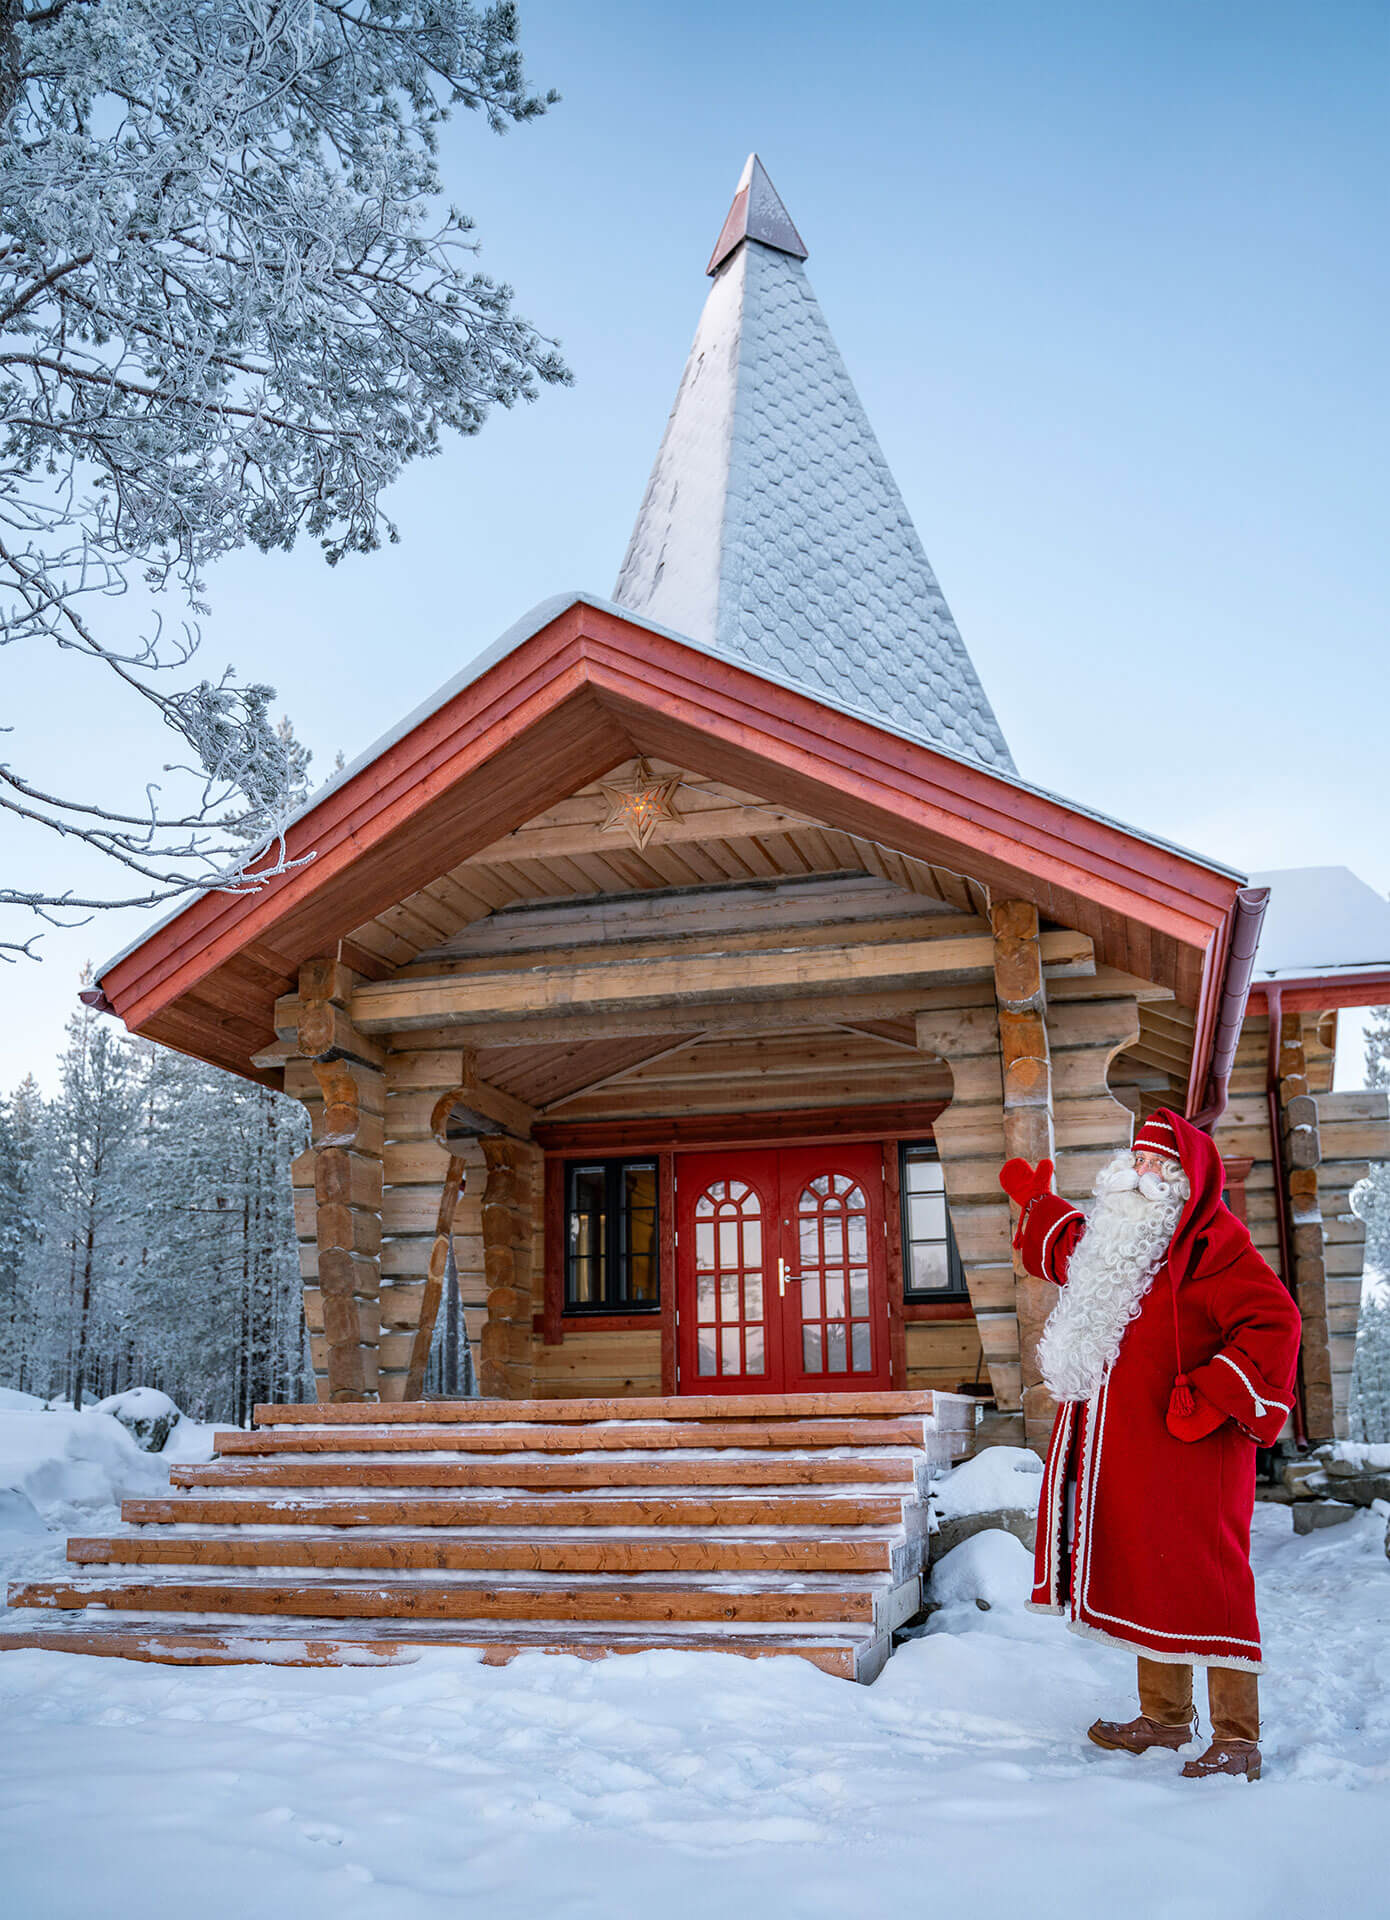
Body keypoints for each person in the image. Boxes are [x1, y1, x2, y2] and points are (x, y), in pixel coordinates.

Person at [998, 1109, 1301, 1781]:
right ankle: (1164, 1719)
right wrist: (1037, 1203)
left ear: (1187, 1180)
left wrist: (1212, 1394)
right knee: (1149, 1573)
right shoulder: (1122, 1237)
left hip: (1195, 1452)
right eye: (1135, 1161)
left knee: (1210, 1582)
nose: (1140, 1175)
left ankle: (1237, 1738)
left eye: (1157, 1166)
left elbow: (1275, 1321)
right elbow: (1076, 1248)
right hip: (1133, 1454)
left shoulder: (1216, 1248)